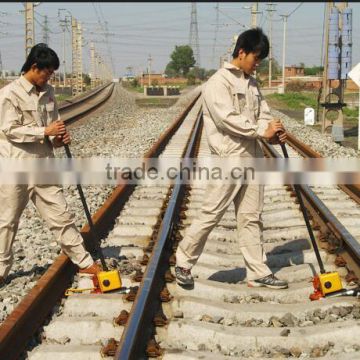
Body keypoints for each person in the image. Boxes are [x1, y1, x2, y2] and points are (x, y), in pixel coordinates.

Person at [175, 28, 288, 289]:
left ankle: (257, 271)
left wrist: (272, 131)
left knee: (251, 216)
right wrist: (262, 130)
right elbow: (227, 120)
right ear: (241, 52)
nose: (257, 64)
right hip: (230, 159)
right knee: (212, 212)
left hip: (253, 157)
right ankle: (183, 262)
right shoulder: (218, 82)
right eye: (256, 58)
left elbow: (263, 114)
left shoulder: (252, 83)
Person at [0, 44, 101, 288]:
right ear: (34, 67)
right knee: (7, 221)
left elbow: (53, 128)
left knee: (61, 215)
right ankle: (1, 270)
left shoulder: (48, 92)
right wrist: (44, 131)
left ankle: (85, 262)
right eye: (47, 72)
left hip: (44, 165)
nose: (49, 77)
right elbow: (9, 130)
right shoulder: (9, 94)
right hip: (15, 166)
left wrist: (58, 138)